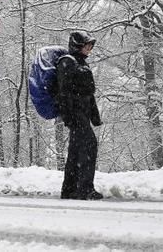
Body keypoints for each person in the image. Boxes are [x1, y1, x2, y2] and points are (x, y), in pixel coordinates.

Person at [55, 30, 104, 200]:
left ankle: (69, 190)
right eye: (87, 45)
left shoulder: (82, 63)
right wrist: (68, 117)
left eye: (90, 45)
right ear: (77, 45)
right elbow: (64, 92)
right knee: (90, 146)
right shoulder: (67, 62)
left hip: (82, 114)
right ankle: (85, 189)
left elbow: (88, 94)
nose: (89, 49)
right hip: (75, 115)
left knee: (76, 153)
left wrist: (94, 116)